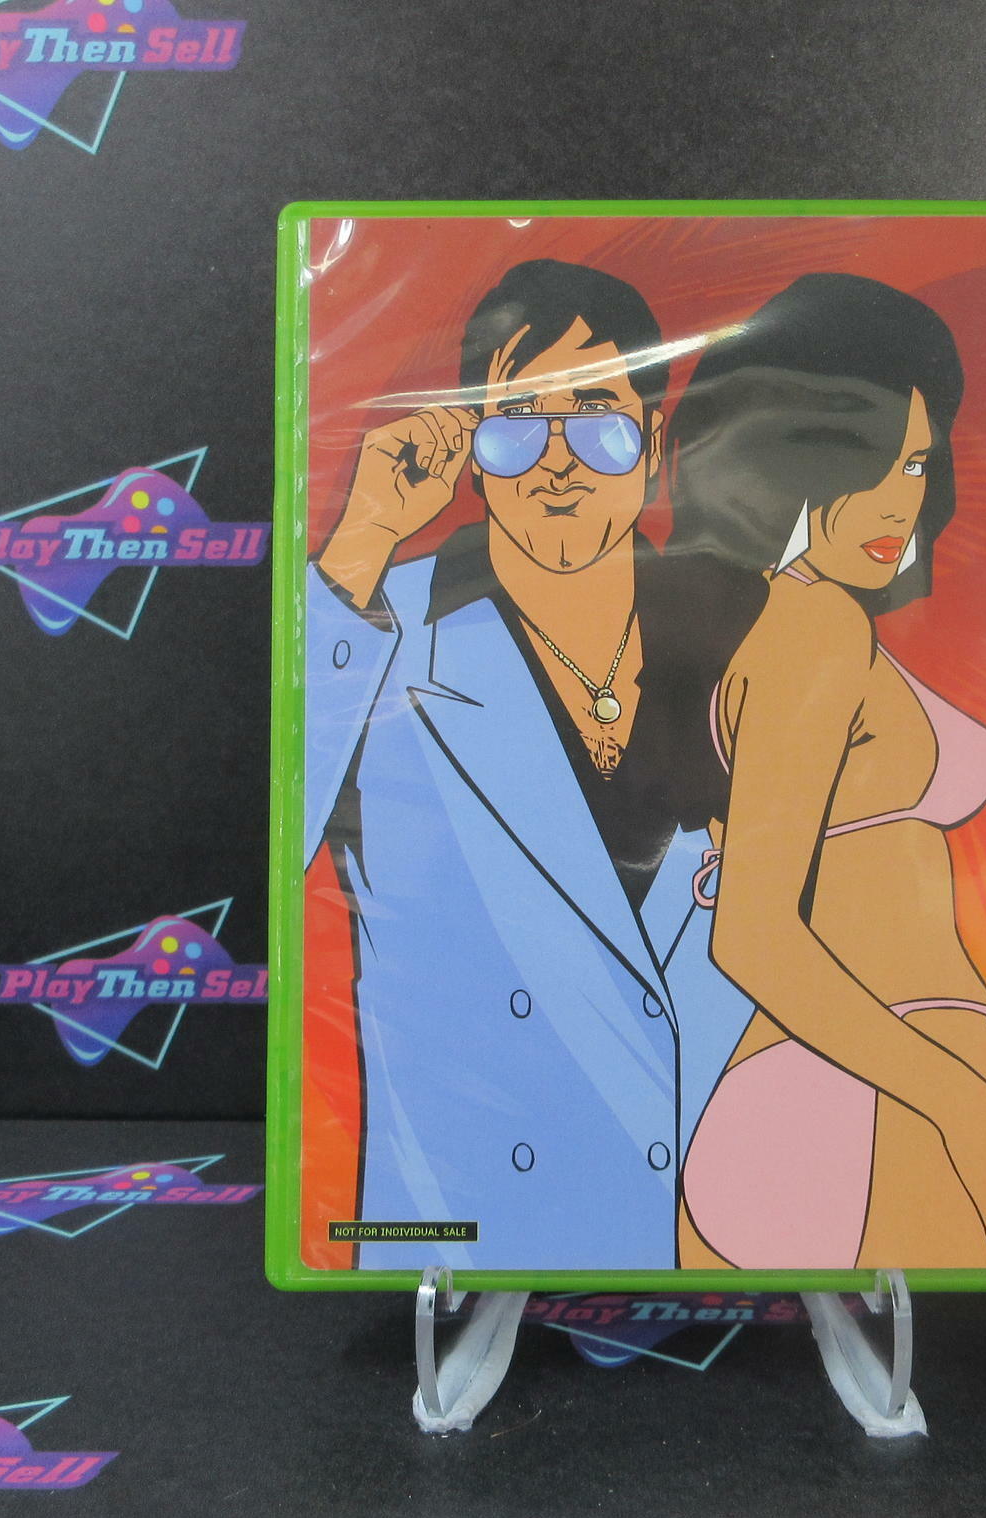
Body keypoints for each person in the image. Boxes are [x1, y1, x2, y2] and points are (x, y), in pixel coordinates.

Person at [306, 259, 751, 1272]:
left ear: (651, 449)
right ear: (470, 450)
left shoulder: (740, 631)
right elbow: (281, 843)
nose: (557, 463)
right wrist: (362, 536)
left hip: (721, 1226)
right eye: (516, 425)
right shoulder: (374, 618)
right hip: (463, 1227)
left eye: (596, 421)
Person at [665, 272, 986, 1271]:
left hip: (839, 1088)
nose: (901, 498)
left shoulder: (775, 620)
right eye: (872, 460)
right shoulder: (815, 627)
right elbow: (752, 935)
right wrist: (969, 1109)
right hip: (879, 1093)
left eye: (917, 463)